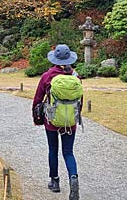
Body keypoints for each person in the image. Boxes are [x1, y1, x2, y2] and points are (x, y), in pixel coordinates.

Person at [32, 44, 81, 200]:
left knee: (53, 149)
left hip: (51, 121)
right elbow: (79, 100)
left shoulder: (47, 76)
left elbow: (38, 99)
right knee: (68, 152)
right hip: (70, 121)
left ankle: (55, 182)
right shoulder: (75, 76)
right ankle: (73, 178)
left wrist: (37, 119)